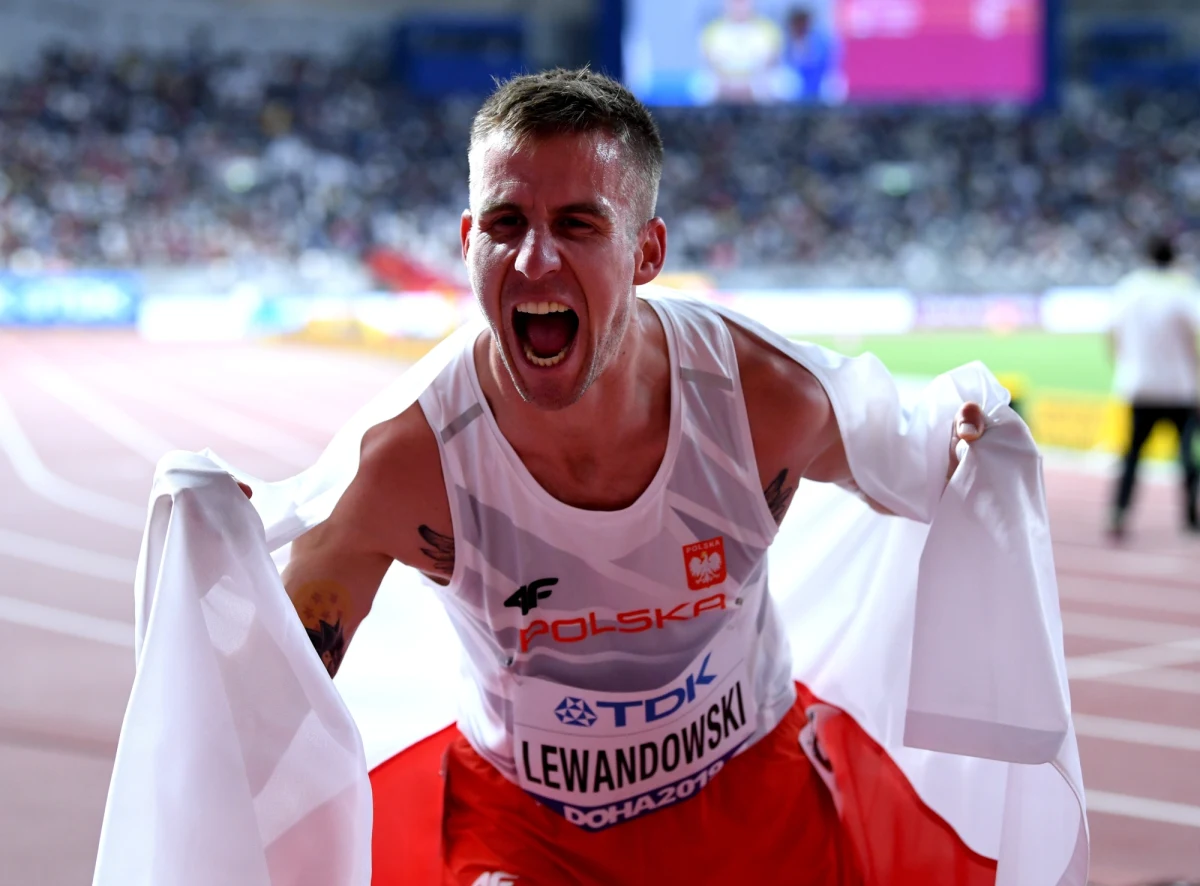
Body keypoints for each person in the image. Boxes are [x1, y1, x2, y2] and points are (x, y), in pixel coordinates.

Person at [262, 68, 993, 885]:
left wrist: (973, 459)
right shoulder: (406, 463)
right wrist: (207, 569)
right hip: (524, 823)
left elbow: (926, 468)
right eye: (506, 224)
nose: (535, 260)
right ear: (468, 242)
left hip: (750, 795)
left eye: (578, 225)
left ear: (647, 252)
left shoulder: (762, 402)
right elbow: (269, 693)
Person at [1107, 234, 1200, 539]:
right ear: (1173, 257)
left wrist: (1124, 366)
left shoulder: (1130, 287)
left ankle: (1119, 512)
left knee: (1132, 456)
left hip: (1140, 386)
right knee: (1187, 456)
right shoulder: (1181, 287)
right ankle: (1190, 518)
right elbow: (1194, 338)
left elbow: (1110, 334)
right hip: (1179, 388)